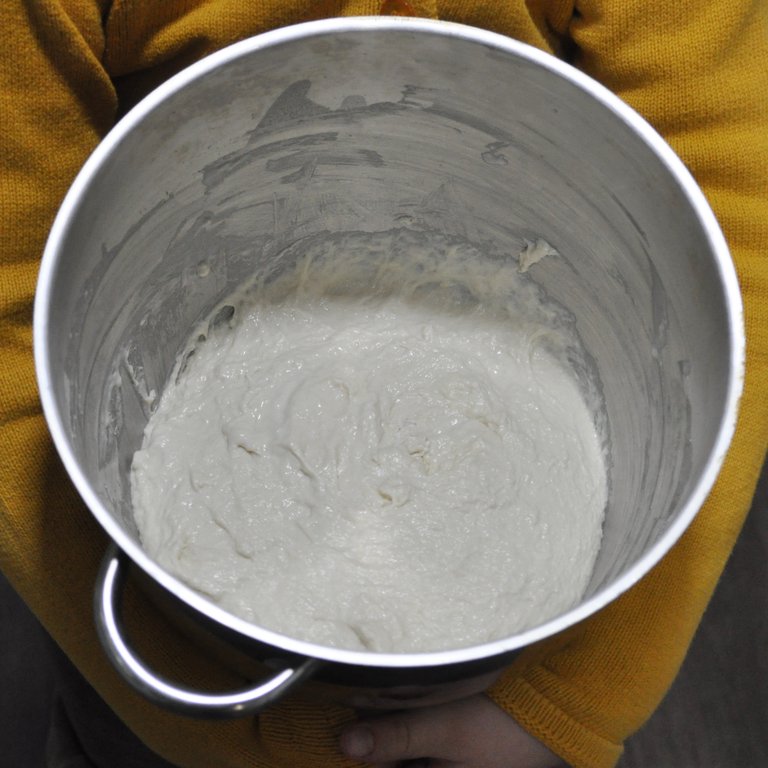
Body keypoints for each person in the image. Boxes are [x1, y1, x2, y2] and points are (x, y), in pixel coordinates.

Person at [1, 1, 766, 767]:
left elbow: (730, 186)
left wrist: (567, 701)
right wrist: (246, 743)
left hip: (506, 694)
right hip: (157, 684)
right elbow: (15, 323)